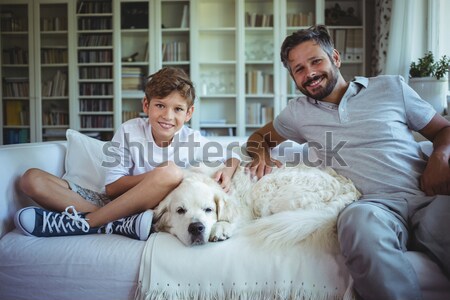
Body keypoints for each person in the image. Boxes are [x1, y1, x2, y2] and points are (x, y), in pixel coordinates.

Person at [245, 25, 450, 300]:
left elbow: (442, 130)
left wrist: (440, 156)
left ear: (336, 58)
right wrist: (261, 155)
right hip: (374, 207)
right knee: (354, 218)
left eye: (316, 61)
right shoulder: (298, 112)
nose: (310, 74)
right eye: (299, 69)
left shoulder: (391, 87)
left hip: (428, 195)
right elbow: (259, 138)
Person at [15, 67, 240, 241]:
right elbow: (112, 188)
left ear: (189, 113)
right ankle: (115, 222)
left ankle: (90, 222)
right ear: (146, 105)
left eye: (178, 109)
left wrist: (228, 169)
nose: (168, 116)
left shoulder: (192, 140)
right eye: (160, 105)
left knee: (171, 172)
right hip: (111, 202)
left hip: (150, 209)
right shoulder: (129, 130)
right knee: (31, 179)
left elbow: (235, 155)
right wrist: (157, 175)